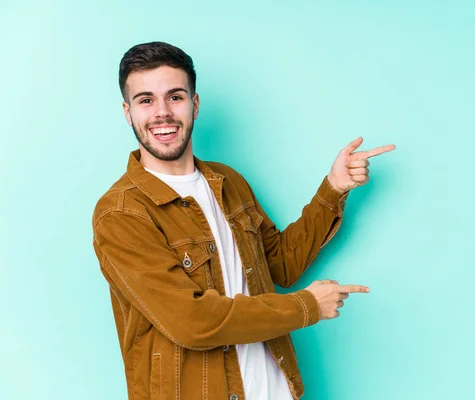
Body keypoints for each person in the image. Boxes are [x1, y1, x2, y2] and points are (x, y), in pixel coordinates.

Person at [92, 41, 395, 400]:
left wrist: (333, 188)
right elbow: (192, 321)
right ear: (128, 112)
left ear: (195, 104)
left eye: (175, 96)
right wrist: (307, 306)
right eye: (146, 100)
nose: (162, 113)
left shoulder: (227, 182)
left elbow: (279, 266)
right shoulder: (121, 213)